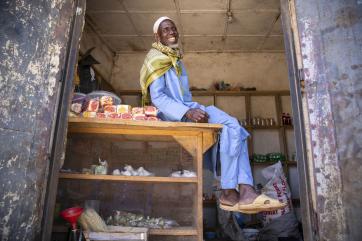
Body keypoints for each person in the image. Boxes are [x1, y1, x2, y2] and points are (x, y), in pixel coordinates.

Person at [140, 16, 286, 213]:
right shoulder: (155, 58)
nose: (171, 32)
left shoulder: (175, 58)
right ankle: (235, 192)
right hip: (174, 115)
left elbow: (183, 96)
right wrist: (187, 112)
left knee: (235, 128)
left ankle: (237, 192)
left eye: (173, 28)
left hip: (190, 108)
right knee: (233, 128)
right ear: (157, 36)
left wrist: (192, 109)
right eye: (166, 30)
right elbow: (157, 98)